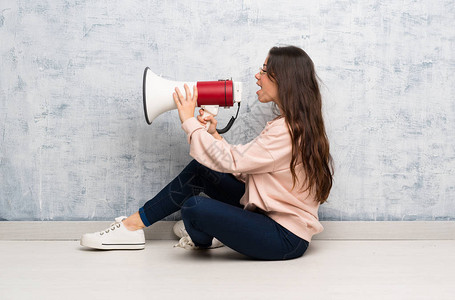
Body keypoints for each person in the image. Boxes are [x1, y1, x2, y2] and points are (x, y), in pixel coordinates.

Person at [80, 45, 334, 260]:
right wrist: (212, 134)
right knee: (203, 171)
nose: (258, 76)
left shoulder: (288, 131)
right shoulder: (289, 124)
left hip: (284, 236)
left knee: (194, 208)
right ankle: (133, 226)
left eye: (265, 71)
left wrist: (188, 120)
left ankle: (205, 235)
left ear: (283, 79)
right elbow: (245, 166)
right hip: (265, 213)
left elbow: (235, 161)